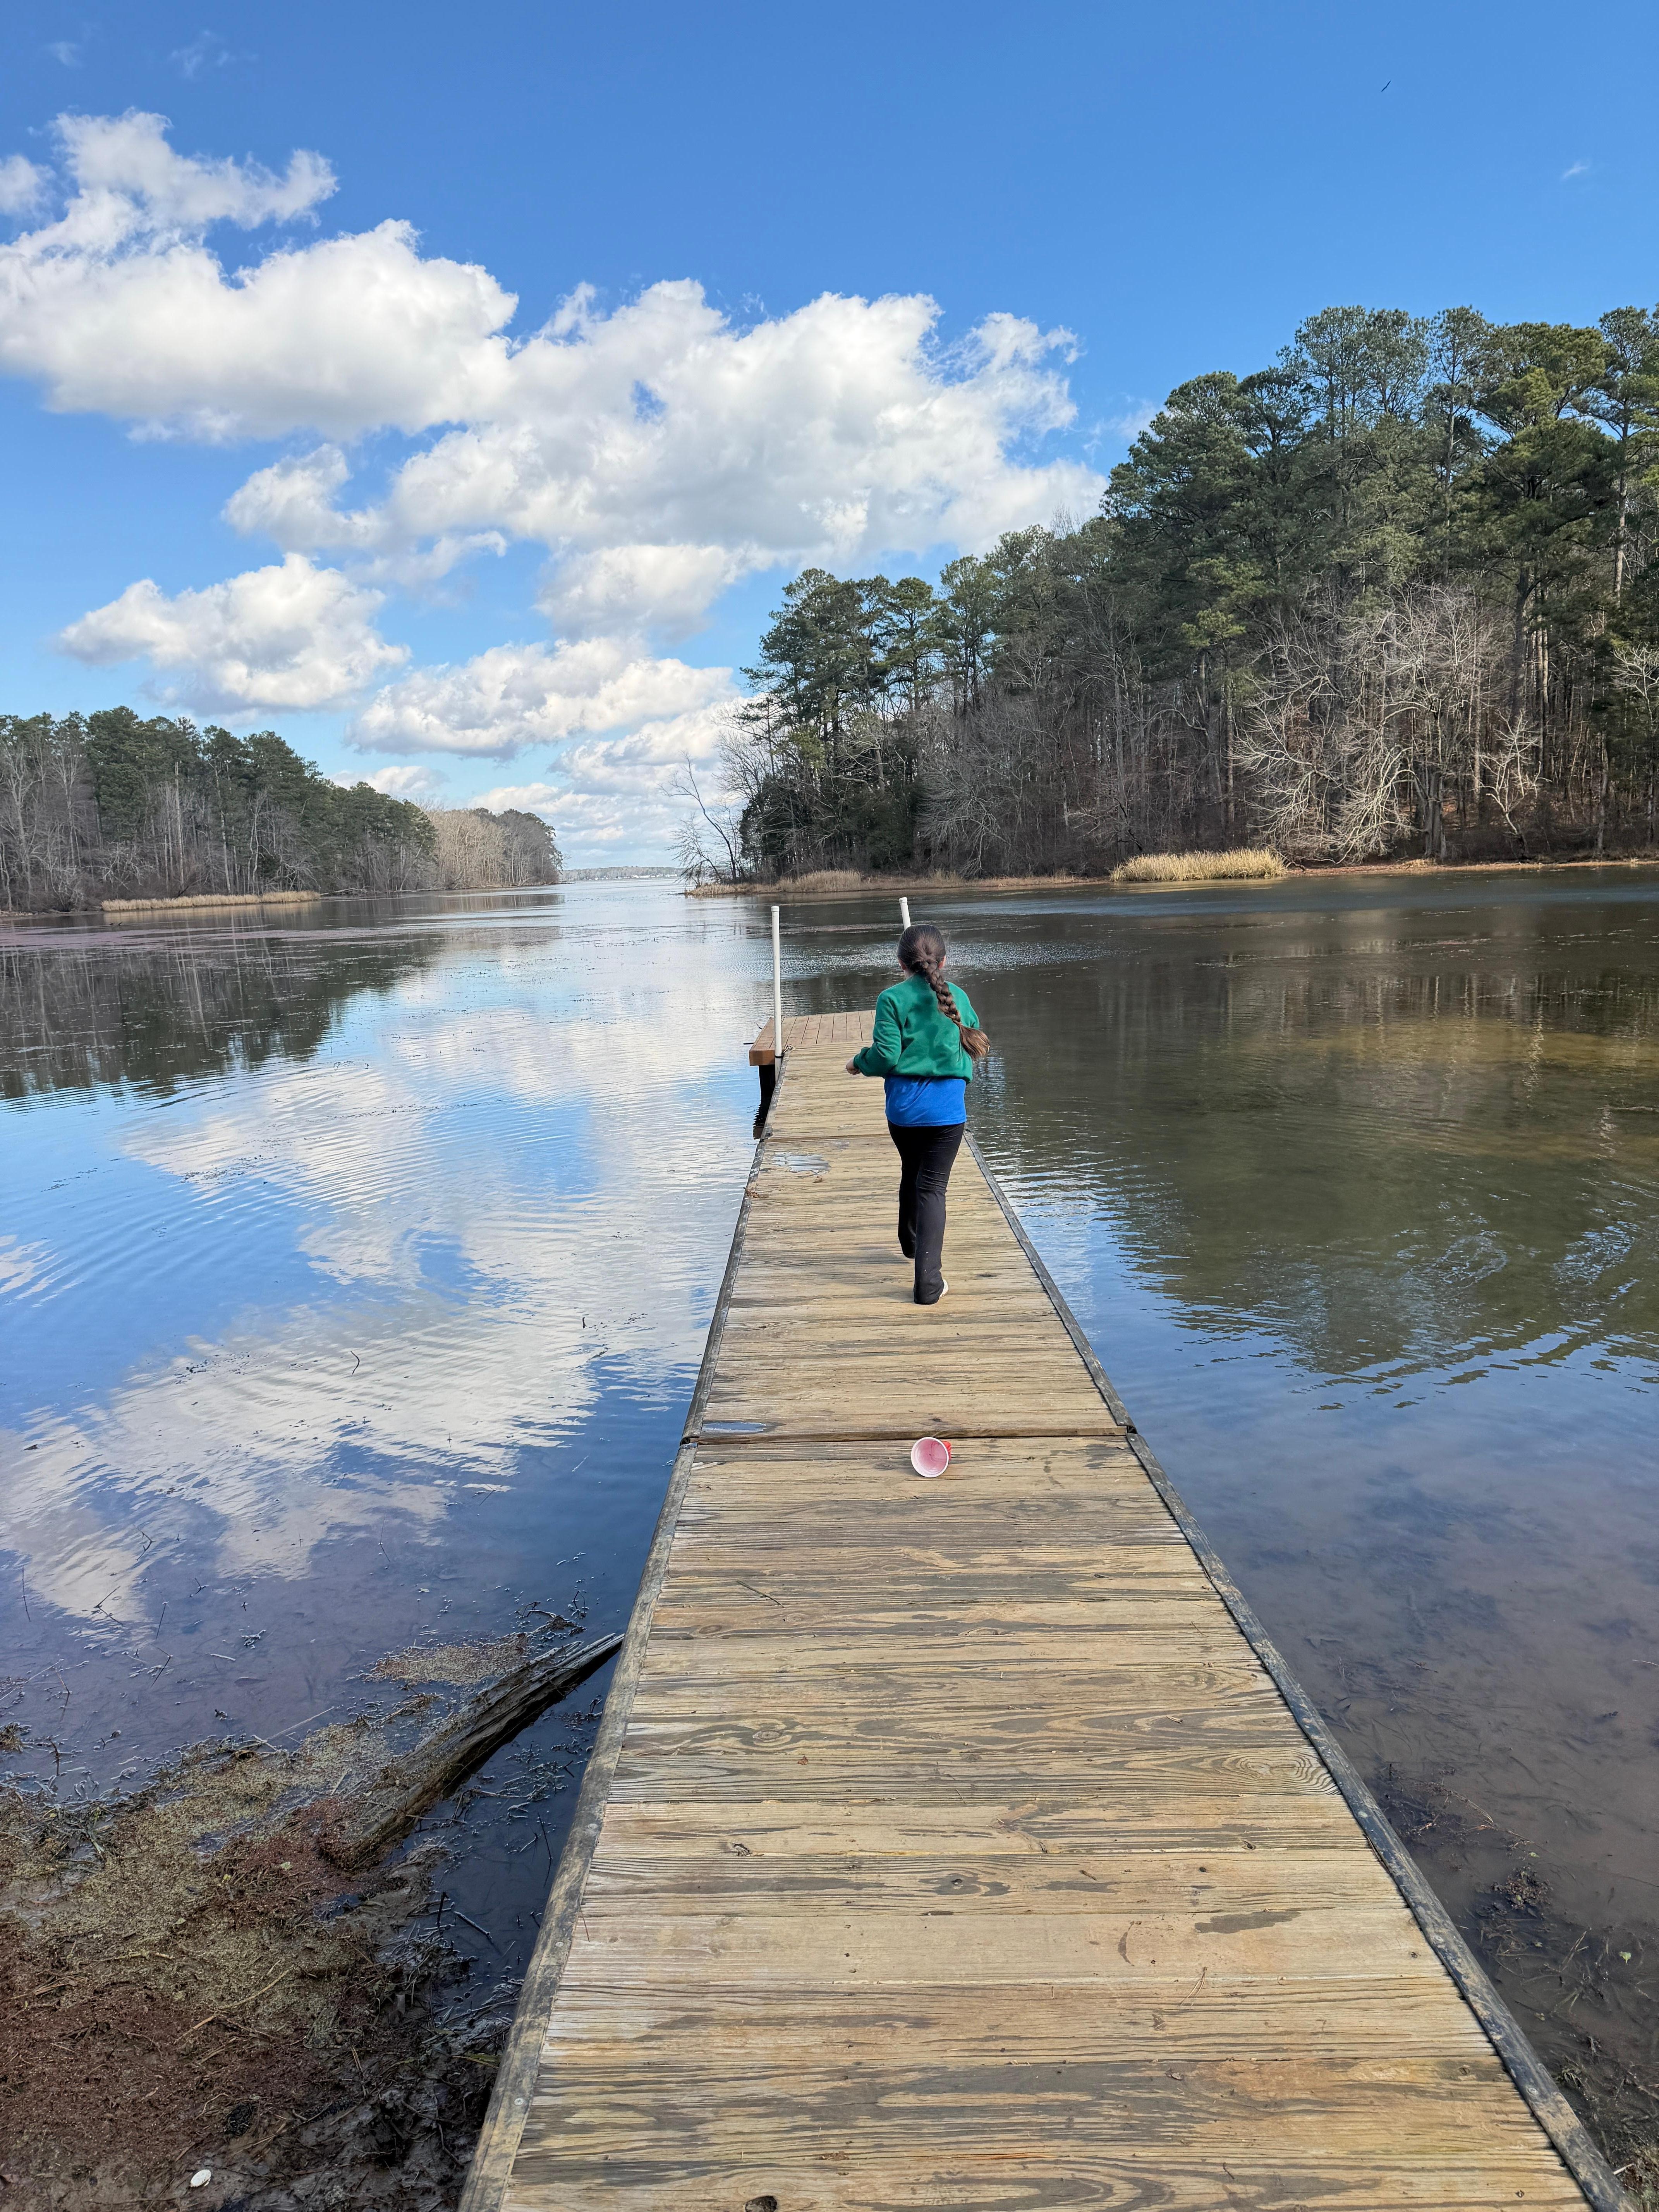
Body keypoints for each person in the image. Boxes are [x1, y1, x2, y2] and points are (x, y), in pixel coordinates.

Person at [845, 923, 990, 1305]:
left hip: (905, 1114)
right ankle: (928, 1284)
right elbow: (970, 1039)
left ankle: (910, 1241)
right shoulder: (957, 996)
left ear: (900, 963)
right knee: (933, 1188)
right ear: (944, 961)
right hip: (947, 1115)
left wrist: (860, 1062)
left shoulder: (891, 999)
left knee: (913, 1169)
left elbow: (886, 1056)